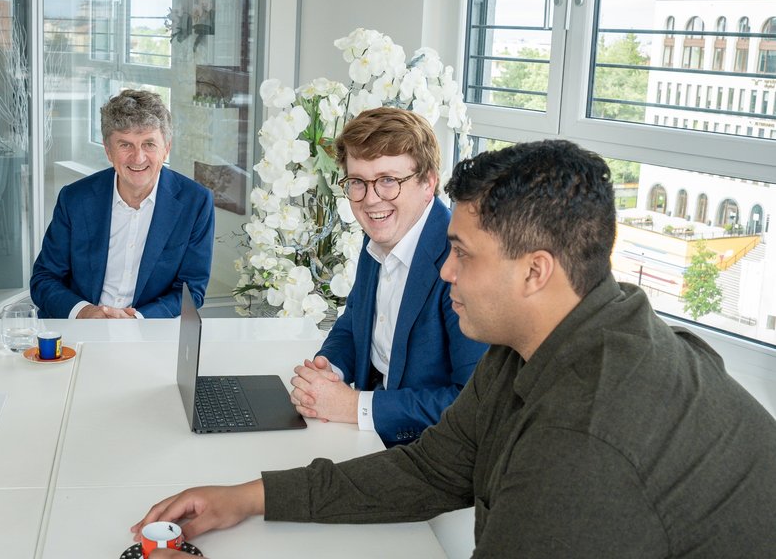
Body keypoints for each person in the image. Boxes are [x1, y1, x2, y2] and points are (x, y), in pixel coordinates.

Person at [133, 139, 776, 557]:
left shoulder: (587, 444)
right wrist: (248, 497)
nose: (444, 272)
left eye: (462, 255)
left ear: (535, 271)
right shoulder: (533, 341)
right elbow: (432, 469)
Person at [288, 106, 487, 445]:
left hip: (432, 454)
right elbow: (355, 322)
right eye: (357, 183)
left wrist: (355, 406)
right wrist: (328, 370)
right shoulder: (382, 231)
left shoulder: (464, 262)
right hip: (369, 436)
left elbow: (473, 404)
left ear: (428, 183)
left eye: (388, 181)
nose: (370, 200)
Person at [30, 89, 214, 319]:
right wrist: (84, 312)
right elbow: (44, 279)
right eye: (125, 145)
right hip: (80, 332)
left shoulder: (195, 202)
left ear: (166, 148)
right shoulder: (75, 198)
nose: (138, 158)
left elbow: (191, 291)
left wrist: (136, 321)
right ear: (108, 150)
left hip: (149, 331)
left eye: (149, 144)